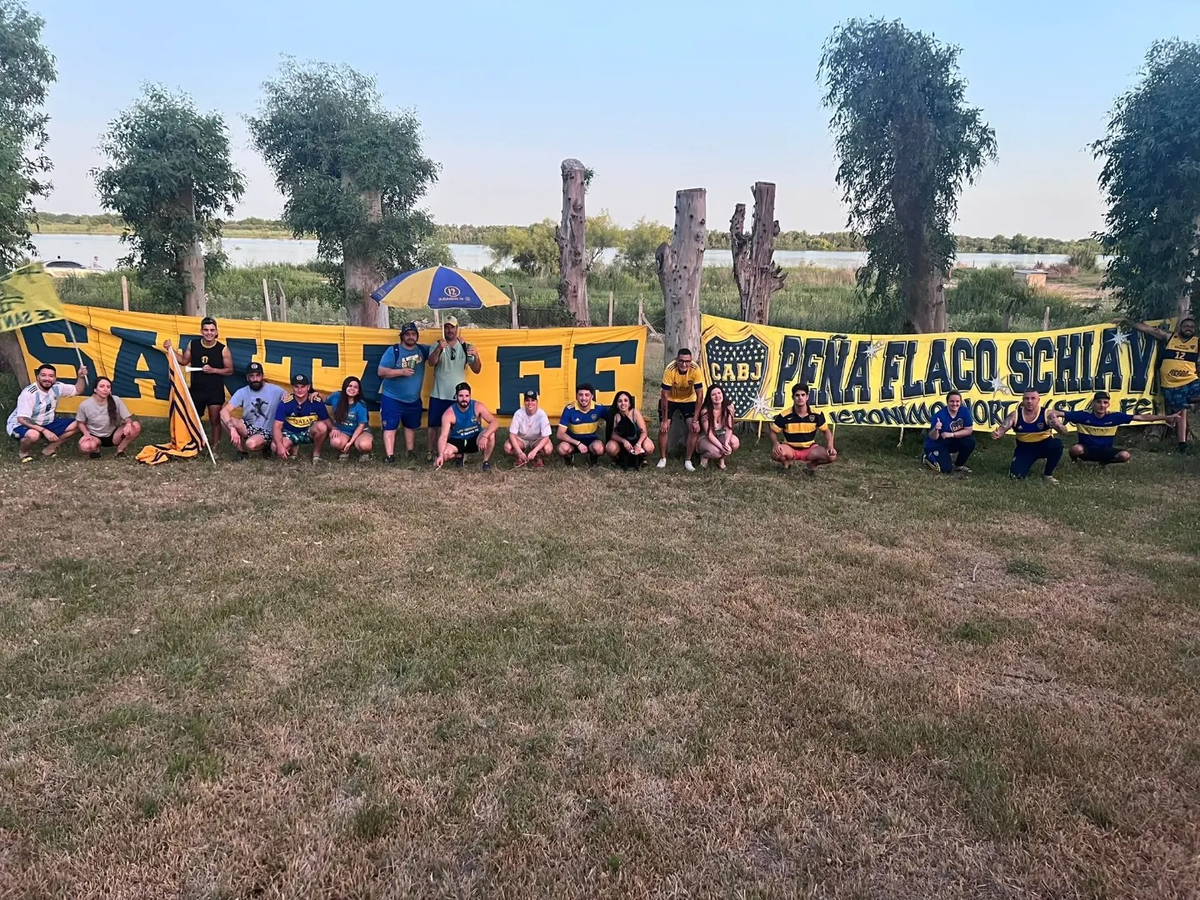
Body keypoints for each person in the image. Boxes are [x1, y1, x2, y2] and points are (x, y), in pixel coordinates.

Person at [1120, 315, 1200, 452]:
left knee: (1183, 408)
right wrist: (1128, 321)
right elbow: (1148, 329)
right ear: (1181, 327)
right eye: (1186, 326)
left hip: (1190, 380)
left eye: (1192, 327)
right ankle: (1182, 444)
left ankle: (1190, 402)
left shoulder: (1196, 342)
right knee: (1180, 413)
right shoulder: (1170, 337)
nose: (1189, 329)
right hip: (1171, 385)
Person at [1048, 390, 1180, 465]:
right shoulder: (1082, 416)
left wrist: (1167, 417)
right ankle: (1075, 462)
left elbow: (1141, 418)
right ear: (1093, 404)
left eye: (1105, 403)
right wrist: (1053, 418)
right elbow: (1056, 412)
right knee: (1075, 449)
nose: (1102, 405)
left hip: (1106, 450)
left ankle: (1104, 462)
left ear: (1108, 404)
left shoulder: (1114, 417)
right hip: (1087, 451)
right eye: (1099, 402)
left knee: (1125, 456)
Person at [163, 317, 233, 449]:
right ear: (201, 331)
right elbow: (183, 361)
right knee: (193, 419)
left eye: (212, 330)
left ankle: (215, 448)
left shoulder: (223, 349)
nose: (209, 333)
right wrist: (170, 349)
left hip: (215, 390)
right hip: (197, 389)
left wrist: (213, 370)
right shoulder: (193, 344)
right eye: (206, 330)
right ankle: (193, 444)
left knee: (215, 420)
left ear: (216, 332)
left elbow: (229, 370)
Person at [7, 363, 88, 463]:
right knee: (33, 435)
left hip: (46, 422)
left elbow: (78, 390)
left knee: (79, 424)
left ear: (55, 378)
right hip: (20, 424)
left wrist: (81, 377)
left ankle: (49, 449)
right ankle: (24, 452)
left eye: (51, 376)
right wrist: (45, 431)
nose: (47, 379)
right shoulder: (29, 393)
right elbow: (22, 419)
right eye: (43, 375)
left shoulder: (57, 387)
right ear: (37, 377)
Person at [426, 316, 481, 461]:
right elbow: (431, 363)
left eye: (452, 327)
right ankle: (430, 452)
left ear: (457, 329)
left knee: (456, 426)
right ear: (443, 329)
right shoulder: (436, 344)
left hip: (457, 395)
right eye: (447, 327)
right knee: (433, 425)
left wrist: (476, 355)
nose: (450, 330)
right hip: (438, 392)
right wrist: (439, 348)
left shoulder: (465, 346)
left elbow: (476, 369)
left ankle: (454, 452)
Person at [377, 322, 428, 463]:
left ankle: (410, 451)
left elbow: (437, 353)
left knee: (410, 426)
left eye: (413, 334)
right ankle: (390, 456)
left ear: (417, 336)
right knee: (390, 426)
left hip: (413, 399)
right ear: (402, 336)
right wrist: (400, 372)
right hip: (392, 397)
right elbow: (381, 371)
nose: (411, 337)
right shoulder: (393, 351)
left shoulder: (422, 350)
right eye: (407, 334)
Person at [992, 389, 1063, 483]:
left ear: (1038, 400)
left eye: (1033, 398)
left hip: (1045, 445)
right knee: (1016, 476)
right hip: (1025, 448)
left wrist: (1058, 426)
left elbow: (1064, 432)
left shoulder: (1047, 414)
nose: (1029, 401)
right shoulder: (1015, 415)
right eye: (1026, 398)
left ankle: (1048, 474)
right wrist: (997, 434)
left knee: (1057, 444)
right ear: (1023, 400)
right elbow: (1001, 430)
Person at [221, 362, 286, 460]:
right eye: (252, 376)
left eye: (258, 375)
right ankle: (242, 452)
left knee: (250, 444)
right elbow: (224, 411)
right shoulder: (242, 392)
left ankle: (266, 446)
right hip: (249, 427)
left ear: (262, 376)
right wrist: (232, 429)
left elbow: (292, 397)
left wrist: (312, 394)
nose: (255, 379)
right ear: (247, 378)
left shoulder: (276, 390)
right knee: (224, 419)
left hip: (268, 430)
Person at [769, 384, 837, 475]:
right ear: (792, 397)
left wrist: (830, 446)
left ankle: (812, 465)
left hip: (810, 449)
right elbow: (773, 432)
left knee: (832, 456)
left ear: (807, 397)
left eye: (803, 395)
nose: (800, 398)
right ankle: (786, 464)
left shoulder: (817, 414)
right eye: (797, 395)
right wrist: (776, 444)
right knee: (775, 453)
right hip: (790, 448)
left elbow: (827, 431)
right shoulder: (784, 415)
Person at [657, 347, 705, 470]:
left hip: (689, 400)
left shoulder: (695, 369)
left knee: (694, 428)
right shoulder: (670, 369)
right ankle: (663, 458)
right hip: (670, 400)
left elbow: (700, 395)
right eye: (681, 361)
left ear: (691, 360)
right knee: (664, 428)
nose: (684, 364)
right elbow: (664, 395)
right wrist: (664, 419)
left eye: (687, 361)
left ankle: (688, 460)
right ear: (676, 360)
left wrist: (695, 420)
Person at [435, 382, 498, 471]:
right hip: (457, 441)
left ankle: (485, 461)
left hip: (475, 438)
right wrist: (440, 455)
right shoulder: (449, 413)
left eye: (467, 396)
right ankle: (459, 455)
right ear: (456, 396)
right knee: (445, 454)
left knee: (491, 434)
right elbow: (443, 437)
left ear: (470, 396)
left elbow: (494, 422)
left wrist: (485, 436)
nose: (464, 399)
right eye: (461, 396)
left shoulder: (477, 406)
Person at [75, 377, 141, 458]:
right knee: (85, 447)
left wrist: (128, 424)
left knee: (135, 426)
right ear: (95, 389)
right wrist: (86, 434)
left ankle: (120, 450)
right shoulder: (85, 404)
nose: (105, 389)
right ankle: (95, 450)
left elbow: (128, 418)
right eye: (102, 386)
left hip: (113, 435)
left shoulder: (116, 400)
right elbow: (80, 423)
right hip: (94, 435)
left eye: (108, 387)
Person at [272, 373, 330, 463]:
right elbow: (277, 426)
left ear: (308, 387)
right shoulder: (285, 402)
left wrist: (335, 430)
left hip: (308, 433)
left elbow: (327, 421)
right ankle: (293, 447)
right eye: (296, 387)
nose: (300, 390)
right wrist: (280, 447)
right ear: (292, 387)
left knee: (322, 426)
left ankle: (316, 454)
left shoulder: (316, 401)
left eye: (303, 386)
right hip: (290, 433)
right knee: (274, 447)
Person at [922, 390, 976, 474]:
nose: (955, 404)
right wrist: (936, 429)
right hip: (937, 443)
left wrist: (951, 434)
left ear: (960, 402)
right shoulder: (939, 415)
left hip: (951, 440)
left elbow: (968, 430)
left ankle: (959, 465)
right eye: (952, 401)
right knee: (946, 470)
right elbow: (933, 437)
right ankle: (928, 457)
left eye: (957, 401)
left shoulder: (964, 411)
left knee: (970, 441)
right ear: (947, 402)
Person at [557, 382, 610, 466]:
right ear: (576, 396)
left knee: (599, 449)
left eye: (587, 395)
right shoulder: (569, 409)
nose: (583, 398)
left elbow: (613, 420)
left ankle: (592, 457)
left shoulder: (599, 408)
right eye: (580, 395)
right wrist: (578, 443)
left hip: (591, 441)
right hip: (573, 442)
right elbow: (560, 434)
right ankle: (569, 458)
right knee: (562, 448)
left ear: (592, 396)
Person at [326, 376, 373, 460]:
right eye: (350, 386)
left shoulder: (361, 405)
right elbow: (324, 399)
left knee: (365, 445)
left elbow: (361, 426)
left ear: (358, 391)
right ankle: (344, 451)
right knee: (335, 442)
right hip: (343, 430)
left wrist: (350, 443)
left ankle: (364, 452)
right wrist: (316, 394)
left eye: (355, 387)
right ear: (345, 387)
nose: (352, 389)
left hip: (360, 431)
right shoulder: (336, 396)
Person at [604, 390, 654, 469]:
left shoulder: (635, 413)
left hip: (637, 439)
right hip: (623, 442)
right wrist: (624, 441)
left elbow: (644, 432)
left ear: (630, 403)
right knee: (610, 448)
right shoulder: (616, 416)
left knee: (649, 447)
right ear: (616, 404)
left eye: (625, 400)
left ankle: (643, 458)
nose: (623, 403)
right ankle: (615, 459)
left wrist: (638, 444)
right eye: (620, 401)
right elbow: (613, 435)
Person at [505, 389, 553, 468]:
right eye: (527, 400)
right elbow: (512, 435)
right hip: (521, 439)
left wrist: (535, 451)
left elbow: (546, 437)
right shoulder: (518, 413)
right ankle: (520, 457)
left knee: (548, 449)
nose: (530, 403)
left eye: (533, 400)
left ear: (537, 402)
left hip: (537, 439)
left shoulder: (542, 414)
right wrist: (519, 451)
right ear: (524, 402)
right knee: (507, 447)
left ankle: (538, 457)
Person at [696, 385, 739, 469]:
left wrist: (726, 442)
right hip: (705, 438)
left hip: (721, 436)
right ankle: (704, 456)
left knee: (734, 442)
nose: (717, 396)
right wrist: (721, 447)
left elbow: (729, 428)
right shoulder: (705, 411)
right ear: (709, 397)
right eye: (713, 395)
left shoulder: (729, 408)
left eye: (719, 393)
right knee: (717, 452)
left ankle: (722, 461)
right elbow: (709, 434)